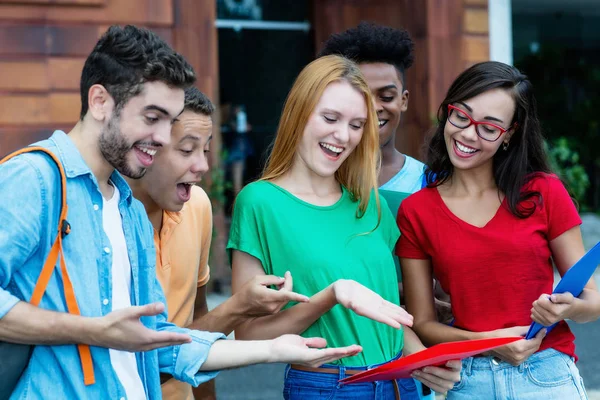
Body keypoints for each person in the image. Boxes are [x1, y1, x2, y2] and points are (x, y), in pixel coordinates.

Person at [0, 25, 363, 400]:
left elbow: (161, 344)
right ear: (100, 101)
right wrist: (90, 330)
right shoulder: (35, 179)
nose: (161, 136)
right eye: (152, 117)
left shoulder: (128, 210)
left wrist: (273, 349)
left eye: (169, 122)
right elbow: (103, 332)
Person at [228, 55, 461, 400]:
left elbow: (386, 312)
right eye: (330, 118)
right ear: (298, 113)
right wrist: (329, 297)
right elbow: (247, 335)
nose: (343, 136)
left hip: (400, 382)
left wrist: (425, 363)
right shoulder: (259, 202)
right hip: (329, 386)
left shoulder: (370, 202)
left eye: (356, 125)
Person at [397, 61, 600, 399]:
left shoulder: (543, 192)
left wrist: (569, 308)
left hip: (546, 373)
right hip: (467, 379)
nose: (467, 134)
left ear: (510, 134)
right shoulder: (416, 211)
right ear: (447, 112)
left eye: (488, 128)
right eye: (461, 116)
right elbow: (422, 325)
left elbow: (593, 301)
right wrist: (491, 343)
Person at [128, 86, 312, 400]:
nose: (203, 166)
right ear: (146, 146)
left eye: (206, 150)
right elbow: (139, 360)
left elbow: (197, 315)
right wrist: (239, 307)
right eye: (187, 150)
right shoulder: (105, 221)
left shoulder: (197, 205)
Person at [318, 27, 453, 398]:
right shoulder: (314, 189)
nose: (375, 106)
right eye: (361, 95)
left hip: (415, 366)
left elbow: (447, 281)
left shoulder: (432, 185)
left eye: (387, 95)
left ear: (405, 100)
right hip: (337, 370)